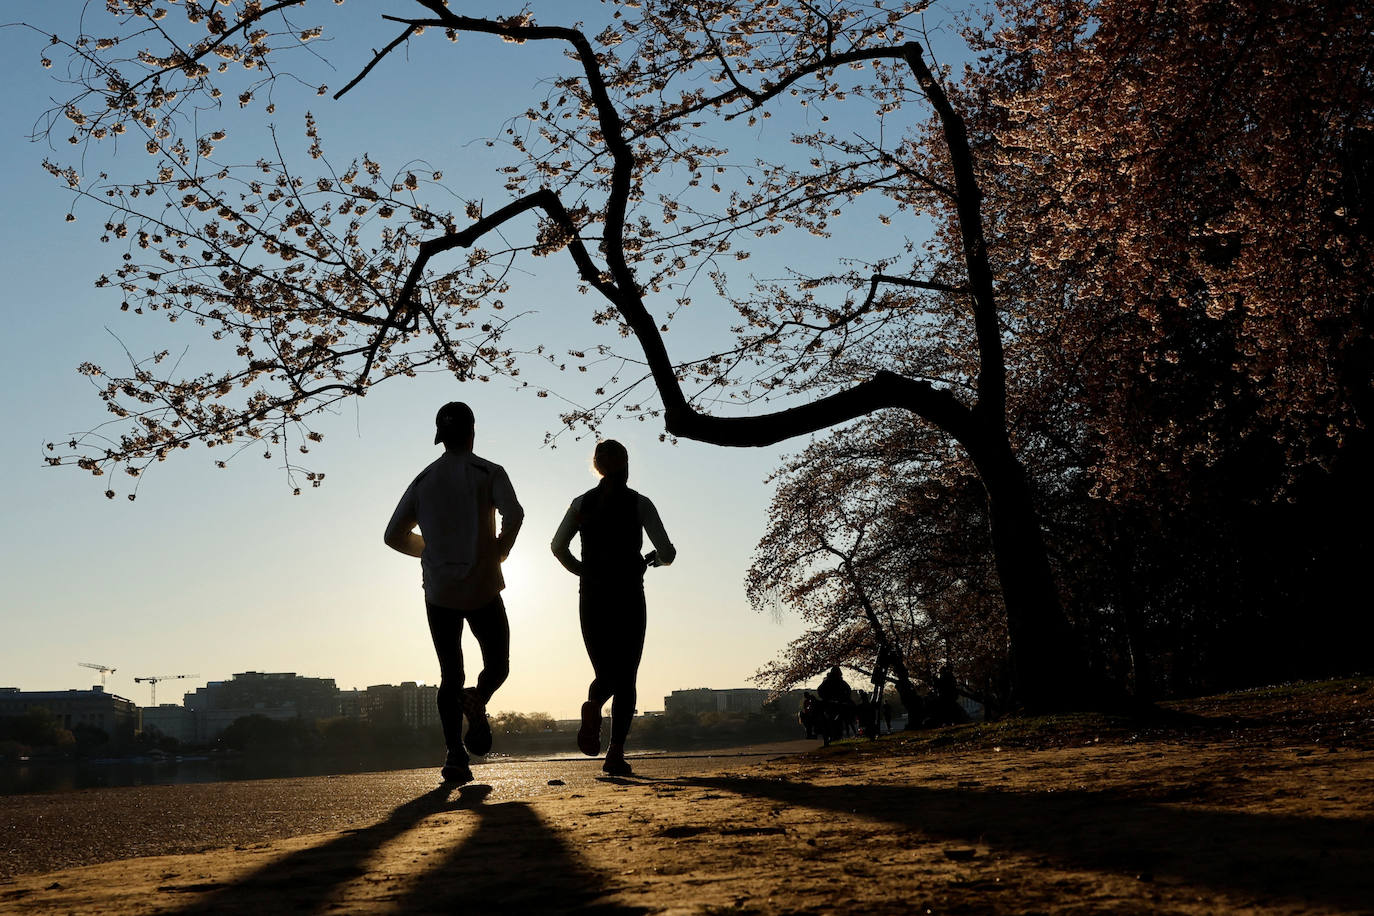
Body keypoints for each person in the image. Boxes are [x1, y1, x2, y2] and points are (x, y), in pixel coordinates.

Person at [385, 401, 523, 785]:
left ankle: (455, 757)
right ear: (473, 432)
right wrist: (500, 548)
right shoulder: (489, 472)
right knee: (498, 665)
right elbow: (514, 513)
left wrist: (430, 551)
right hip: (482, 586)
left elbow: (392, 535)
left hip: (440, 592)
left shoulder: (423, 480)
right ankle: (478, 698)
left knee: (450, 673)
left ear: (440, 438)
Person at [551, 440, 675, 777]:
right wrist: (653, 560)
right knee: (627, 676)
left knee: (606, 672)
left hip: (591, 596)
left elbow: (557, 546)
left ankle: (593, 706)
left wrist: (582, 570)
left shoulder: (580, 503)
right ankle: (615, 753)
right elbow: (667, 551)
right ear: (626, 465)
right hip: (628, 595)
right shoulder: (639, 503)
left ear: (597, 467)